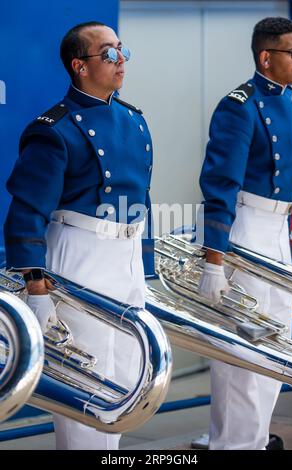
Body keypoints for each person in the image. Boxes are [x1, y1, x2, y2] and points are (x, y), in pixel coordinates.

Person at [4, 21, 154, 450]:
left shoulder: (134, 119)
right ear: (80, 66)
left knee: (128, 371)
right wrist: (35, 286)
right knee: (83, 372)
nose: (120, 60)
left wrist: (146, 264)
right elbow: (27, 210)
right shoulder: (54, 128)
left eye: (122, 50)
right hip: (79, 253)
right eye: (108, 53)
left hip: (125, 253)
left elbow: (141, 196)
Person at [197, 17, 292, 450]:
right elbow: (220, 186)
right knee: (243, 353)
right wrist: (214, 261)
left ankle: (252, 441)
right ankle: (234, 444)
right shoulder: (240, 105)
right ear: (265, 56)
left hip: (277, 230)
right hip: (246, 231)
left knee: (274, 348)